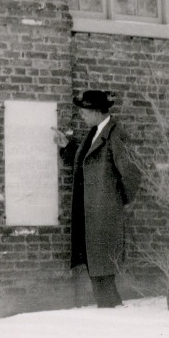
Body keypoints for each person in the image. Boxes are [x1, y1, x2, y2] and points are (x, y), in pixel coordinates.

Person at [54, 90, 141, 308]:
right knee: (98, 271)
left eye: (84, 111)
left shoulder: (116, 134)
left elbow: (131, 172)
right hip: (92, 215)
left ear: (95, 111)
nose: (82, 115)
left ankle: (110, 312)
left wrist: (116, 201)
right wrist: (67, 147)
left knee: (103, 272)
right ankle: (110, 311)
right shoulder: (95, 133)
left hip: (104, 215)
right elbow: (88, 162)